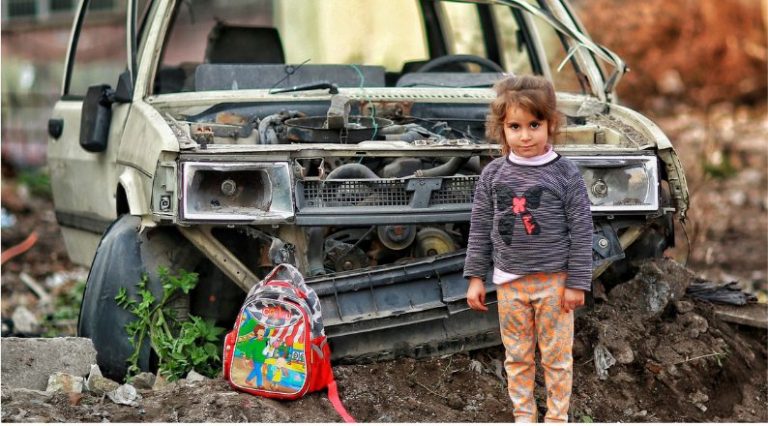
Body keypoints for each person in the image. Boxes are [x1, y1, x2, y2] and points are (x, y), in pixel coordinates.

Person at [464, 75, 593, 423]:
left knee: (556, 357)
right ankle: (524, 415)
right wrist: (475, 277)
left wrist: (577, 282)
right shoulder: (493, 175)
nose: (525, 136)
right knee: (517, 356)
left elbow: (582, 229)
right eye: (515, 127)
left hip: (555, 285)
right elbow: (480, 228)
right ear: (501, 129)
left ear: (551, 123)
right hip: (510, 284)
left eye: (534, 125)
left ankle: (557, 417)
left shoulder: (565, 173)